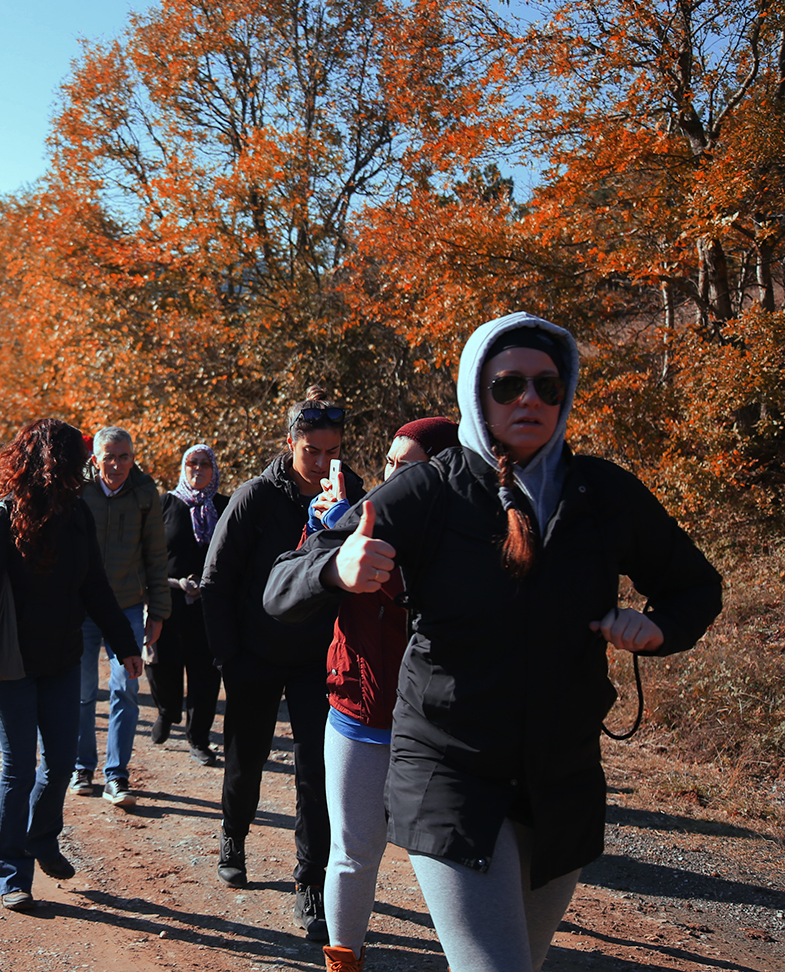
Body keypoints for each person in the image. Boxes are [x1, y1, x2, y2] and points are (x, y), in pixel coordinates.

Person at [264, 314, 722, 972]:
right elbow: (281, 588)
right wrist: (336, 569)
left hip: (560, 778)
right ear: (476, 395)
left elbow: (696, 588)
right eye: (508, 386)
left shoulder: (605, 494)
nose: (529, 399)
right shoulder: (429, 491)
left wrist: (658, 628)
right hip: (449, 774)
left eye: (547, 385)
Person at [200, 387, 364, 941]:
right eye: (312, 451)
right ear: (290, 442)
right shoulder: (253, 498)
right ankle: (233, 835)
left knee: (317, 775)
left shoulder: (352, 495)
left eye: (331, 452)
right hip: (256, 656)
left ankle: (310, 881)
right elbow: (217, 581)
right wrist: (228, 657)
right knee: (245, 760)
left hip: (322, 663)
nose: (321, 463)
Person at [0, 419, 143, 912]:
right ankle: (11, 871)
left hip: (61, 659)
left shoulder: (77, 515)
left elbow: (95, 587)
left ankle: (42, 838)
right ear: (47, 464)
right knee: (19, 769)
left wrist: (126, 643)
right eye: (73, 461)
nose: (82, 470)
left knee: (61, 764)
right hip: (11, 666)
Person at [308, 417, 458, 972]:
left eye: (407, 464)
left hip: (437, 727)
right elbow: (293, 584)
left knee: (446, 860)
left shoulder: (469, 540)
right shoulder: (359, 520)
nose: (391, 473)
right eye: (389, 461)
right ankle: (343, 963)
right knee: (351, 853)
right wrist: (327, 533)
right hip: (358, 712)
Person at [72, 427, 170, 808]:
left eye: (124, 456)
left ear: (133, 456)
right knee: (80, 693)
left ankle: (117, 775)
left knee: (125, 688)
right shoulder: (78, 491)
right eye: (109, 457)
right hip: (80, 609)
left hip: (128, 606)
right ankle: (82, 767)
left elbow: (156, 556)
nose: (116, 465)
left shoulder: (146, 493)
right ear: (95, 460)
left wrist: (159, 611)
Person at [149, 444, 227, 766]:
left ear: (214, 470)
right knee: (162, 666)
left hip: (208, 605)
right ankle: (167, 711)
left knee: (205, 675)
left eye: (204, 464)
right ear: (183, 467)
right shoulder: (166, 503)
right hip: (168, 602)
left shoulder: (224, 506)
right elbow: (150, 552)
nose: (197, 469)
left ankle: (199, 739)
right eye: (192, 463)